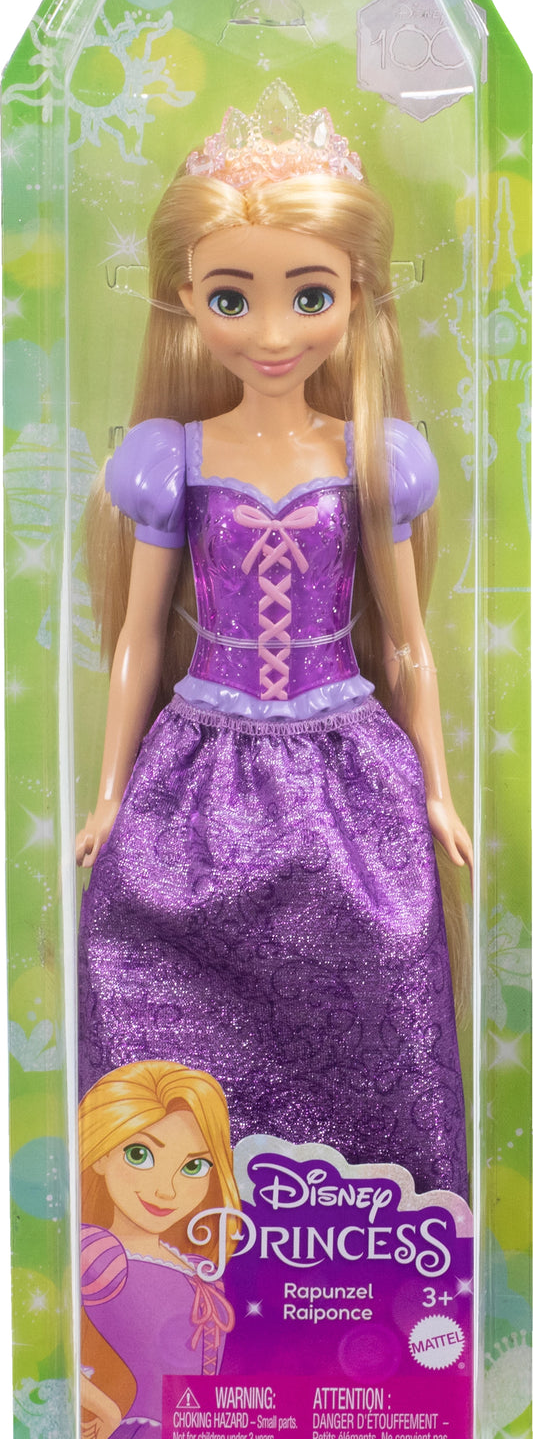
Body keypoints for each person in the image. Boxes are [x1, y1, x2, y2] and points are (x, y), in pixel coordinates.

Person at [76, 83, 472, 1200]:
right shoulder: (173, 455)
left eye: (308, 295)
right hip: (199, 773)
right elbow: (138, 637)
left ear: (355, 294)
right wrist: (109, 793)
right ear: (185, 300)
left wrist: (437, 790)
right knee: (153, 998)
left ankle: (387, 1240)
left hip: (348, 773)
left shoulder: (371, 455)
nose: (271, 333)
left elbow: (406, 644)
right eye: (230, 298)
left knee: (383, 991)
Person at [79, 1059, 239, 1439]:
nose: (166, 1190)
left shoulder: (199, 1267)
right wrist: (104, 1408)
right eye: (139, 1154)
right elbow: (47, 1344)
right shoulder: (97, 1251)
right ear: (101, 1154)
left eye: (194, 1166)